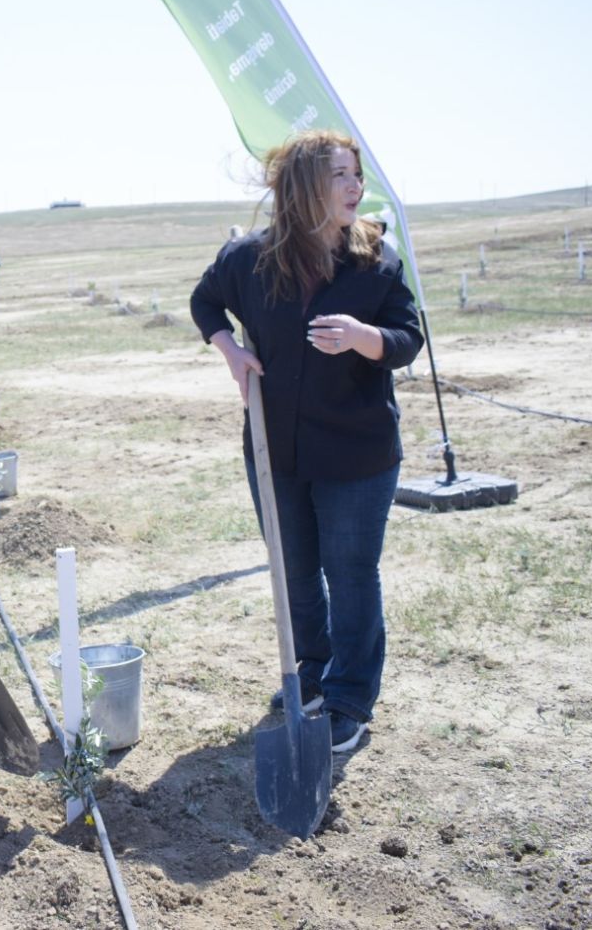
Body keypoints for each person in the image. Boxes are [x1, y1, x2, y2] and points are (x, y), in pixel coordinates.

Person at [189, 129, 423, 755]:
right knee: (293, 569)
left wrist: (363, 336)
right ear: (304, 187)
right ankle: (313, 671)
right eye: (340, 175)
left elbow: (408, 338)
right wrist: (230, 350)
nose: (355, 186)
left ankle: (349, 699)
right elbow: (205, 301)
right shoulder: (249, 259)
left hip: (357, 453)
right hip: (277, 449)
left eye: (356, 174)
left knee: (350, 574)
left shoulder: (376, 260)